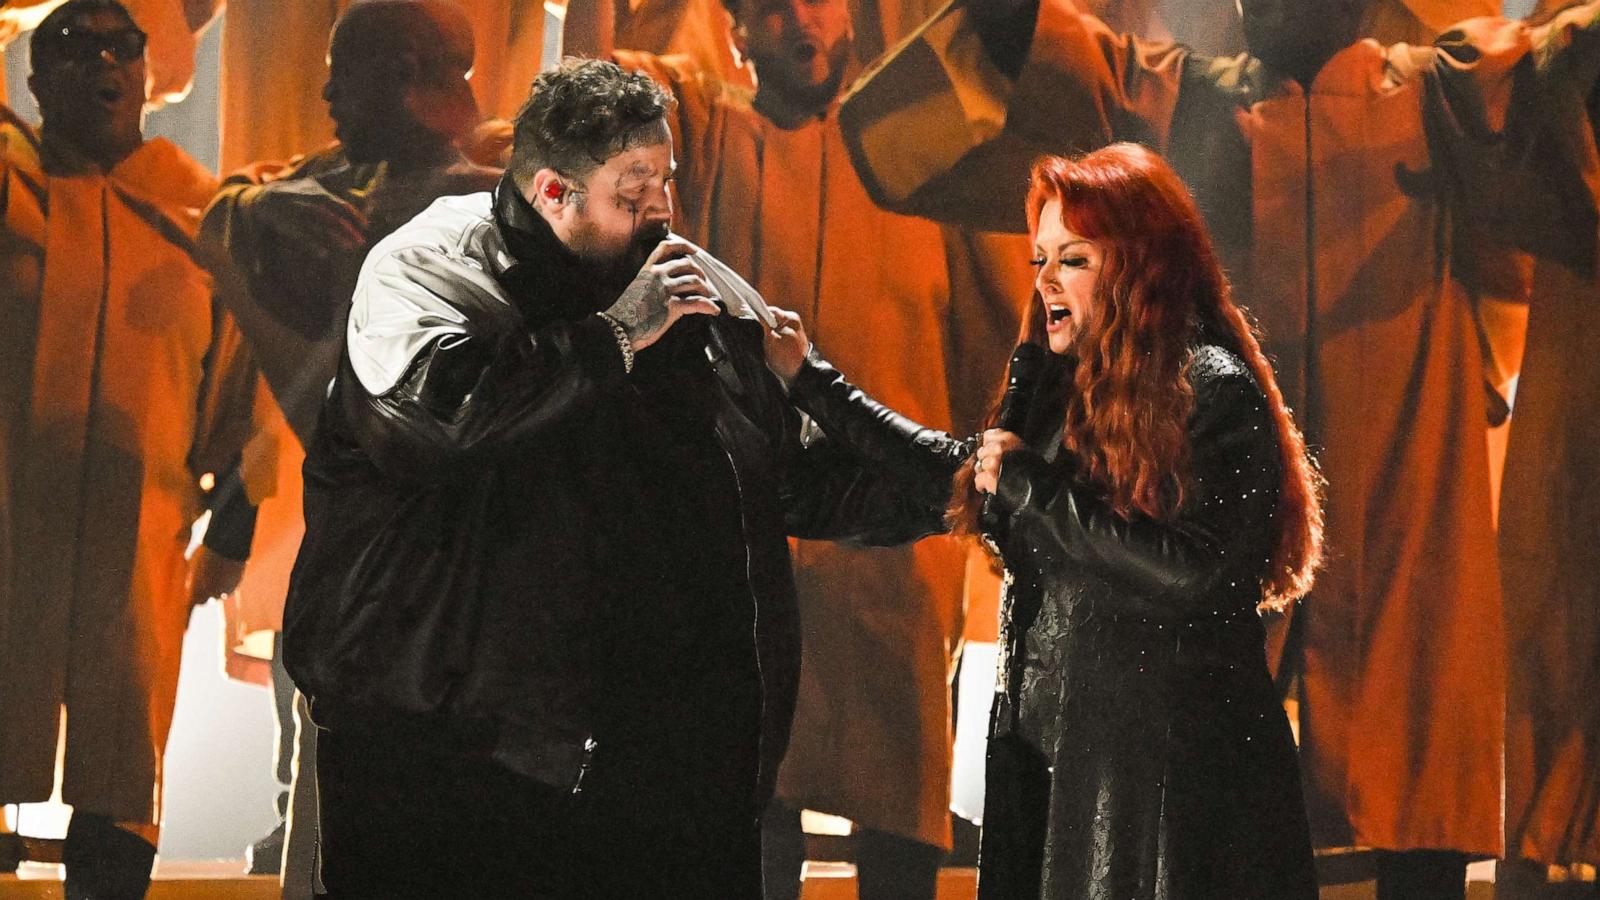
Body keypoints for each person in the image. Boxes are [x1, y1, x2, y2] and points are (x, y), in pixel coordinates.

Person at [837, 1, 1600, 894]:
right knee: (1196, 805)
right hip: (1201, 496)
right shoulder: (1177, 103)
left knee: (1416, 778)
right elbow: (1021, 75)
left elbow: (1561, 72)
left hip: (1404, 495)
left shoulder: (1436, 99)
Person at [278, 57, 951, 898]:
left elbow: (780, 473)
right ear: (555, 192)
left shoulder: (679, 280)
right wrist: (617, 337)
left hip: (662, 773)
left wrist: (947, 491)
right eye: (633, 192)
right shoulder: (426, 270)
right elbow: (440, 423)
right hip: (450, 768)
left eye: (666, 181)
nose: (661, 211)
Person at [762, 142, 1325, 900]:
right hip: (1067, 774)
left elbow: (1198, 569)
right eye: (1041, 258)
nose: (1046, 280)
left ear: (1139, 264)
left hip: (1173, 797)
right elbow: (962, 472)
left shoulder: (1211, 387)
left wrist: (1033, 488)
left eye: (1074, 258)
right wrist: (811, 380)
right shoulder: (1066, 397)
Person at [565, 3, 1039, 893]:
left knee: (902, 793)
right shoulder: (702, 130)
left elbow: (993, 332)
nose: (799, 21)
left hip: (890, 531)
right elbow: (595, 101)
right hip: (745, 530)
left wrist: (988, 486)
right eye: (771, 6)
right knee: (754, 785)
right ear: (735, 27)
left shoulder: (912, 149)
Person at [193, 0, 502, 883]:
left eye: (343, 69)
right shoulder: (341, 188)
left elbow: (345, 416)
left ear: (403, 72)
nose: (324, 90)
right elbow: (223, 202)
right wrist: (255, 205)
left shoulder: (480, 212)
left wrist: (238, 267)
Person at [0, 1, 250, 895]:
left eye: (120, 45)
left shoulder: (201, 211)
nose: (100, 61)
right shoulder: (8, 189)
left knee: (121, 752)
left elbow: (237, 381)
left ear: (149, 71)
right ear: (33, 80)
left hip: (140, 531)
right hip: (8, 527)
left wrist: (236, 514)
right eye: (70, 46)